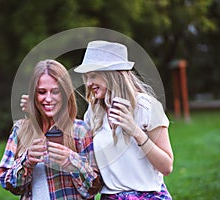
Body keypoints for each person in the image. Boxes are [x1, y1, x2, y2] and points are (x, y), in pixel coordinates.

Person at [73, 40, 174, 199]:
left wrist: (135, 130)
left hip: (149, 196)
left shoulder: (147, 107)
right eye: (86, 77)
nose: (89, 83)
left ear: (113, 75)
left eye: (93, 75)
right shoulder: (93, 112)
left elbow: (166, 166)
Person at [0, 59, 102, 200]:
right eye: (41, 92)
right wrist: (27, 161)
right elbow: (7, 183)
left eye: (55, 92)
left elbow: (93, 188)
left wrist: (71, 162)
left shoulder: (80, 130)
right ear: (34, 94)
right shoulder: (21, 129)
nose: (48, 99)